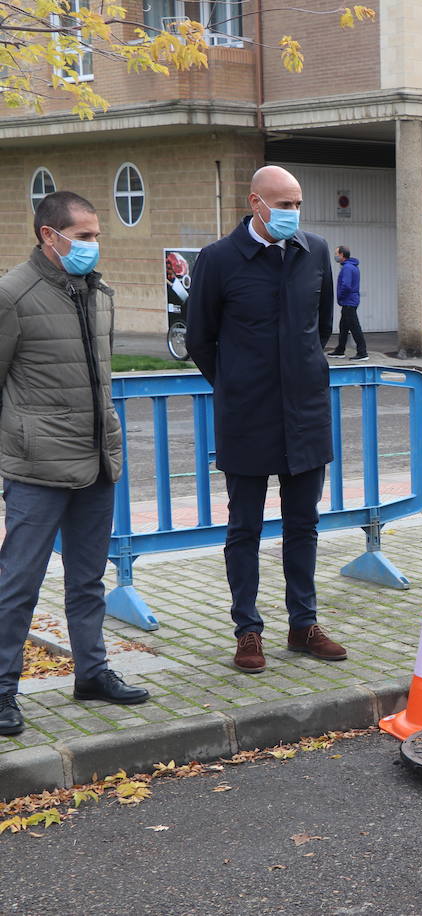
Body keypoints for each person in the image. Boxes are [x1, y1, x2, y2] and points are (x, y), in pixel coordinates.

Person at [186, 166, 348, 674]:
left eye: (297, 204)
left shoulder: (315, 251)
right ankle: (248, 631)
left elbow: (320, 325)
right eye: (283, 205)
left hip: (305, 414)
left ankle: (304, 624)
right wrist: (235, 383)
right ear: (256, 203)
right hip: (248, 416)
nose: (292, 214)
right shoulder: (218, 259)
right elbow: (199, 338)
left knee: (304, 525)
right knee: (245, 529)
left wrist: (298, 375)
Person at [0, 191, 150, 735]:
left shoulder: (98, 292)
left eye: (96, 235)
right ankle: (2, 690)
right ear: (50, 235)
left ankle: (92, 673)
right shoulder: (12, 294)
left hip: (96, 461)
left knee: (88, 580)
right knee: (18, 582)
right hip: (37, 468)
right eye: (84, 236)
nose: (94, 245)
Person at [328, 246, 367, 360]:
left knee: (354, 327)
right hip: (349, 301)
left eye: (336, 253)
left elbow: (346, 285)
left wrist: (340, 296)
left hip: (349, 302)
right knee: (343, 327)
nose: (335, 256)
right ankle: (340, 350)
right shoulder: (350, 267)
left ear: (342, 255)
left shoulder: (347, 268)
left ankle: (362, 352)